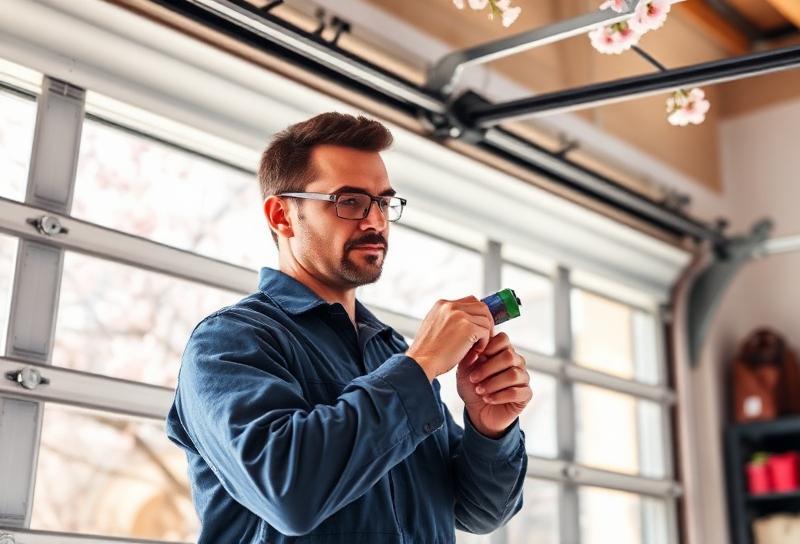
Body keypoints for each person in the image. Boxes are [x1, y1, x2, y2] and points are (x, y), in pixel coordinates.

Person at [166, 112, 532, 543]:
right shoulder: (228, 343)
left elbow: (479, 512)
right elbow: (289, 492)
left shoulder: (392, 353)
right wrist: (422, 363)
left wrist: (489, 429)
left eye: (383, 202)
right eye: (350, 201)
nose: (375, 221)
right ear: (282, 216)